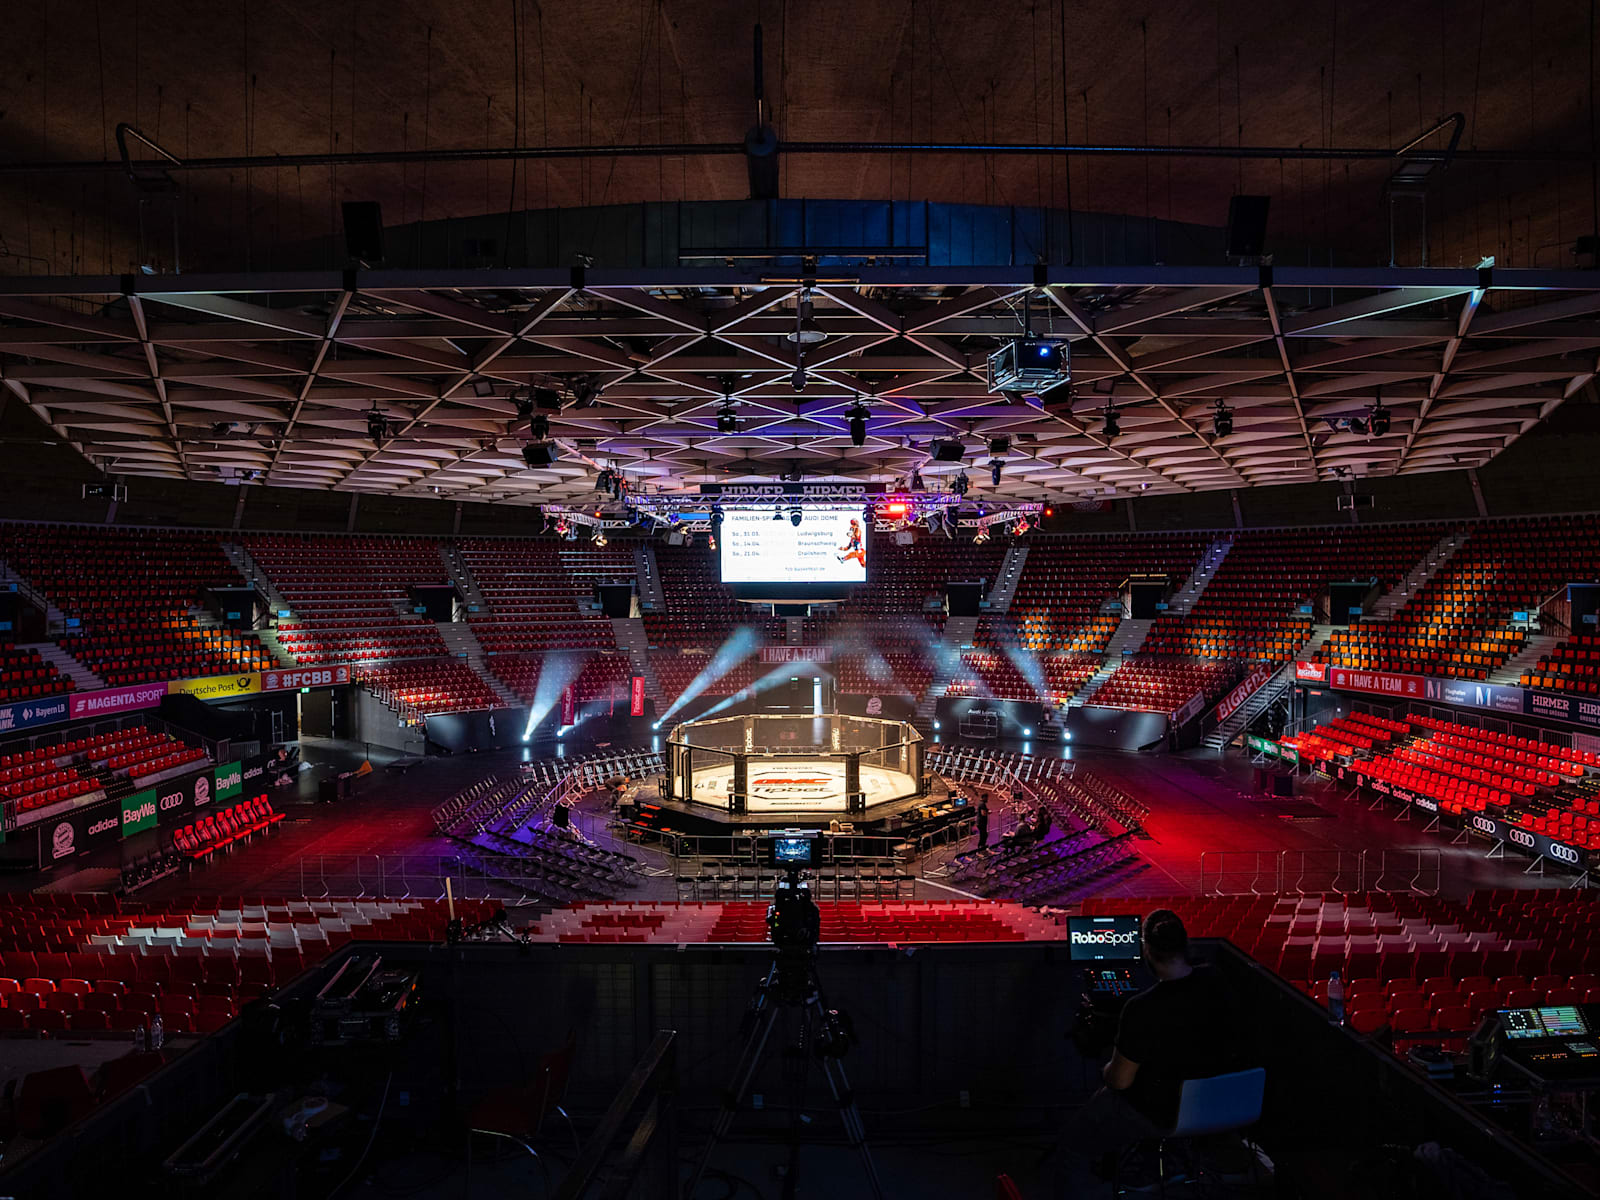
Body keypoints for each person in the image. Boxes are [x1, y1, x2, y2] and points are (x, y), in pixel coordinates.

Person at [1064, 910, 1241, 1174]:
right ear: (1185, 944)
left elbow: (1120, 1081)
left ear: (1146, 951)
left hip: (1166, 1112)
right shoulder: (1215, 978)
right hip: (1225, 1101)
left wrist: (1106, 1070)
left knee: (1072, 1142)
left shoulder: (1140, 1008)